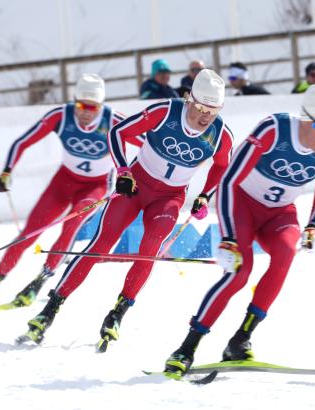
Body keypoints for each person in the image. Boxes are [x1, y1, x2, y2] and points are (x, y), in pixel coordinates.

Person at [18, 69, 235, 348]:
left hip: (169, 198)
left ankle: (118, 312)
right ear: (189, 99)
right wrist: (122, 171)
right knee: (101, 244)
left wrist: (205, 195)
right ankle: (51, 308)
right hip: (135, 186)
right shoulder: (165, 112)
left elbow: (222, 166)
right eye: (202, 107)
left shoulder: (220, 134)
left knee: (149, 251)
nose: (206, 116)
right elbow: (118, 132)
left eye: (213, 110)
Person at [163, 82, 315, 378]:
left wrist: (313, 225)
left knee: (286, 254)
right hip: (242, 206)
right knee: (240, 272)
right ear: (307, 120)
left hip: (280, 213)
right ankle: (186, 347)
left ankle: (240, 339)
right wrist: (229, 238)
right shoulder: (273, 130)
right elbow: (229, 181)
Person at [0, 74, 143, 308]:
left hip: (95, 186)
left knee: (70, 227)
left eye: (92, 107)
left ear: (101, 105)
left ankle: (39, 282)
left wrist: (132, 175)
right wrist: (7, 171)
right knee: (31, 231)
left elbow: (149, 145)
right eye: (81, 105)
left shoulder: (114, 120)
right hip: (64, 182)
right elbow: (22, 142)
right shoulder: (61, 116)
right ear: (75, 101)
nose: (86, 112)